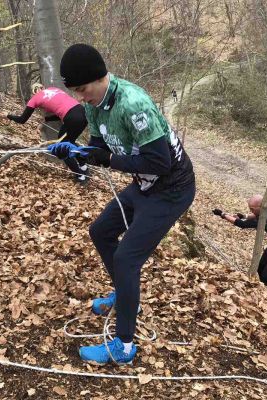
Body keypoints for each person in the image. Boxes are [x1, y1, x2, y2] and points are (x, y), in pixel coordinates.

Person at [49, 43, 195, 365]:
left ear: (100, 77)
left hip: (171, 188)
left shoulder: (133, 103)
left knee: (128, 258)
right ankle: (127, 296)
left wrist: (109, 159)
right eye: (75, 92)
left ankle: (125, 347)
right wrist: (70, 149)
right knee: (101, 232)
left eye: (83, 89)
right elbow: (98, 146)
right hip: (144, 184)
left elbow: (160, 162)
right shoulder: (94, 104)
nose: (80, 98)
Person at [7, 83, 90, 185]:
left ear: (33, 92)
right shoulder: (54, 89)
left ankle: (80, 176)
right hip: (82, 113)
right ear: (43, 88)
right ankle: (83, 166)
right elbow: (62, 109)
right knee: (69, 141)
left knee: (61, 147)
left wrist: (8, 116)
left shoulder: (35, 99)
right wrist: (46, 119)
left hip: (72, 117)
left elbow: (22, 120)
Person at [213, 194, 267, 291]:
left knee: (265, 276)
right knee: (260, 268)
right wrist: (244, 216)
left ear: (260, 206)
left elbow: (242, 224)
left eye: (252, 209)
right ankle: (264, 290)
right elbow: (257, 214)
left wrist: (223, 214)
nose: (251, 211)